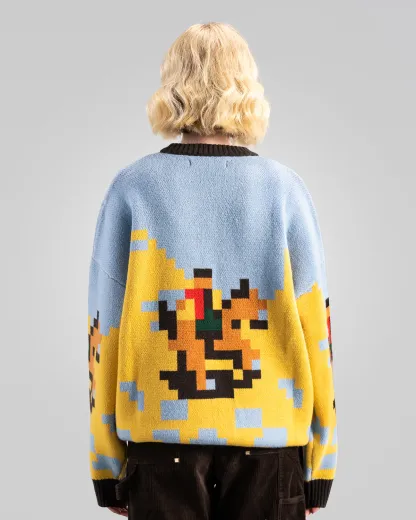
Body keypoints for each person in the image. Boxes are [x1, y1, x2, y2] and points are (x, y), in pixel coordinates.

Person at [87, 22, 337, 520]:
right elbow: (317, 331)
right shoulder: (285, 190)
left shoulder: (132, 189)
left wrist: (106, 464)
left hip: (161, 447)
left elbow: (104, 332)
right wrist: (321, 461)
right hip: (270, 448)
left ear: (172, 85)